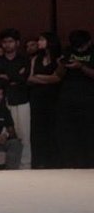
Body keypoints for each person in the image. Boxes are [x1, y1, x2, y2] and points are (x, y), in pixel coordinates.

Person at [0, 28, 30, 168]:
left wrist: (7, 76)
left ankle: (25, 165)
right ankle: (6, 166)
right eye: (4, 42)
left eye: (10, 41)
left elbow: (25, 79)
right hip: (3, 100)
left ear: (17, 43)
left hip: (22, 99)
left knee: (24, 134)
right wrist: (15, 76)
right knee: (4, 133)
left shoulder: (24, 59)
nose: (7, 45)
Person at [55, 30, 94, 168]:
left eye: (82, 46)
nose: (79, 49)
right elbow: (58, 76)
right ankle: (70, 163)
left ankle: (89, 163)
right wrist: (61, 65)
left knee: (88, 132)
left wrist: (81, 66)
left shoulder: (92, 52)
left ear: (89, 42)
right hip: (68, 97)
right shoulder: (68, 51)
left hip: (89, 98)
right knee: (68, 133)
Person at [27, 32, 62, 169]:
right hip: (36, 97)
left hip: (53, 97)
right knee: (37, 129)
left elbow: (57, 78)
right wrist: (46, 79)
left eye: (41, 40)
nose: (39, 42)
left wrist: (39, 77)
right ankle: (39, 162)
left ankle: (54, 161)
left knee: (52, 128)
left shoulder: (59, 59)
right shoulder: (35, 59)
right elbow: (29, 78)